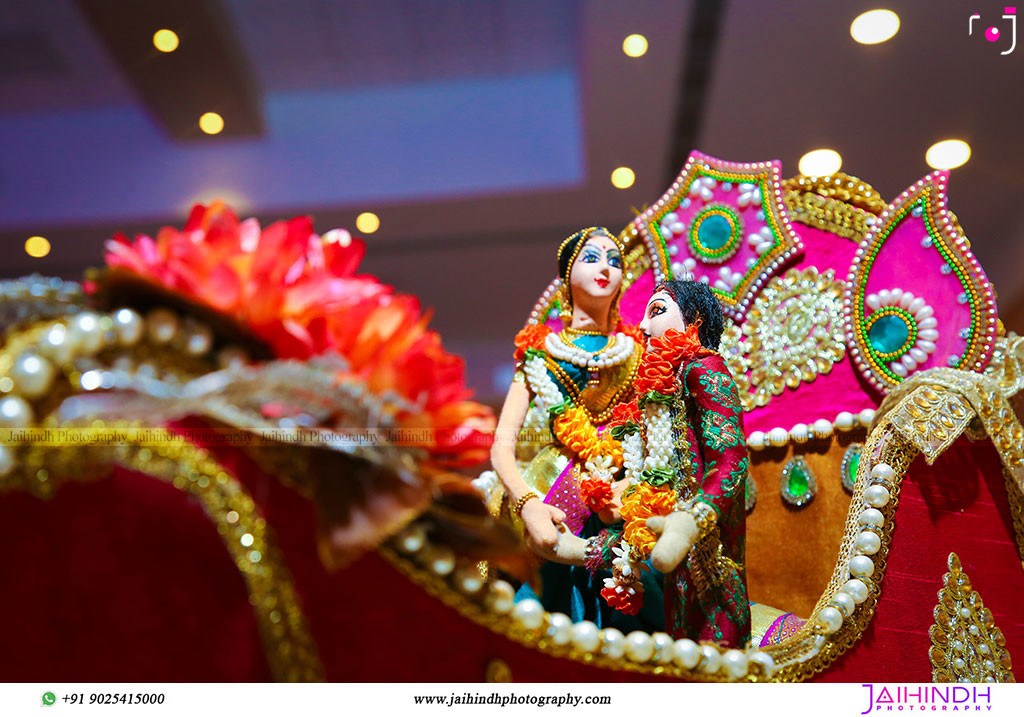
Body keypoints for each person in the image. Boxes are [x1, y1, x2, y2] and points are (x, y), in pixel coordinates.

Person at [533, 279, 751, 646]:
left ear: (693, 319)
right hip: (673, 570)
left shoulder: (705, 369)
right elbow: (644, 514)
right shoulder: (654, 395)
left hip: (710, 554)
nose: (645, 327)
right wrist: (577, 550)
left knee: (716, 656)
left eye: (658, 311)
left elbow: (730, 463)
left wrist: (689, 520)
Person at [489, 227, 664, 631]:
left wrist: (637, 486)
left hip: (622, 485)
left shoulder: (638, 353)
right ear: (567, 276)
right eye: (591, 257)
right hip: (553, 488)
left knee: (633, 590)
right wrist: (528, 504)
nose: (605, 267)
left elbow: (654, 435)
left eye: (615, 260)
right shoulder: (538, 353)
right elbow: (502, 447)